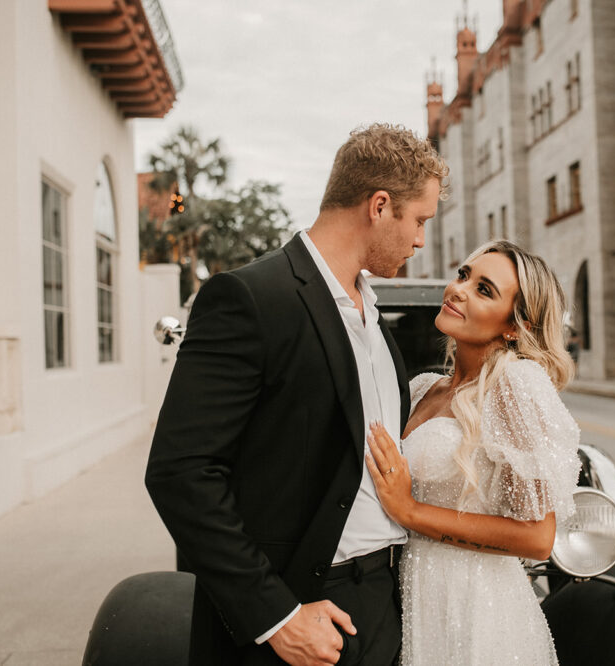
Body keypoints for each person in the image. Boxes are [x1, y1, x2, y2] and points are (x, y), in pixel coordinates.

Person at [145, 123, 448, 666]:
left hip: (388, 603)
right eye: (419, 220)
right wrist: (276, 616)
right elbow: (181, 472)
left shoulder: (375, 318)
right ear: (379, 206)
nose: (421, 239)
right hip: (296, 609)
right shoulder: (249, 298)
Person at [365, 240, 581, 665]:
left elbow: (538, 538)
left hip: (477, 606)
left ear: (514, 327)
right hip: (411, 594)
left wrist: (410, 512)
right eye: (464, 275)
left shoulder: (515, 386)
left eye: (485, 290)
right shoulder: (424, 387)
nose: (459, 289)